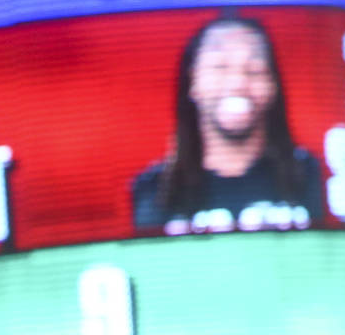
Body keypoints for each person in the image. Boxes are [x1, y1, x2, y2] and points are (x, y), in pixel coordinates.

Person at [132, 14, 324, 232]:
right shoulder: (155, 190)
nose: (237, 83)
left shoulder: (307, 175)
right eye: (220, 67)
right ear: (193, 82)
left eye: (254, 69)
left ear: (272, 86)